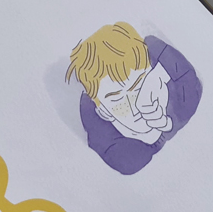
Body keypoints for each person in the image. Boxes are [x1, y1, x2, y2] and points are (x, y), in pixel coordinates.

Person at [65, 22, 202, 175]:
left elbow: (187, 81)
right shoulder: (120, 155)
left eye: (139, 86)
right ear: (104, 112)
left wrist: (169, 122)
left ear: (158, 74)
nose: (136, 104)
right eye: (118, 100)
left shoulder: (185, 96)